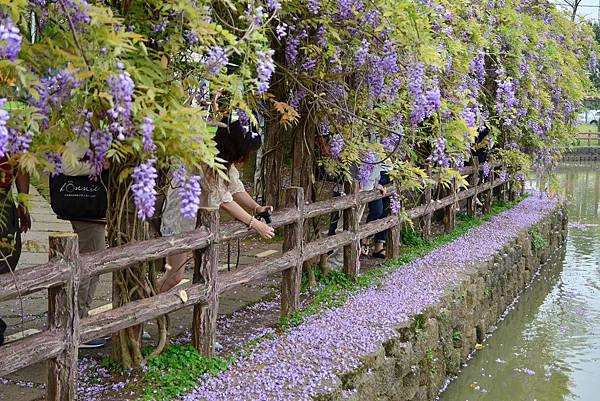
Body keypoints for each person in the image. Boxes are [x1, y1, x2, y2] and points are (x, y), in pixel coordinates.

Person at [158, 119, 275, 292]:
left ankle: (150, 306)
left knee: (191, 273)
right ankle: (144, 306)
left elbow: (235, 188)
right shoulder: (207, 160)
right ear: (236, 148)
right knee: (175, 276)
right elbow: (223, 200)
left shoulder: (223, 160)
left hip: (197, 222)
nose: (247, 157)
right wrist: (255, 223)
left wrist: (257, 207)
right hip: (180, 219)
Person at [58, 140, 109, 348]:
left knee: (95, 262)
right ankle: (76, 324)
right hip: (86, 209)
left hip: (93, 212)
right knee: (90, 264)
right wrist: (101, 166)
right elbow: (67, 166)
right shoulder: (81, 127)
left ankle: (81, 318)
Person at [0, 156, 31, 346]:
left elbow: (21, 165)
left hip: (3, 198)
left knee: (5, 258)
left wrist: (23, 203)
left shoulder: (11, 128)